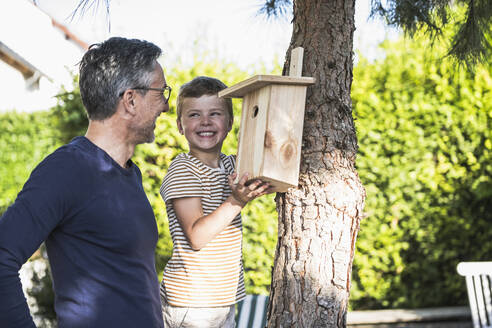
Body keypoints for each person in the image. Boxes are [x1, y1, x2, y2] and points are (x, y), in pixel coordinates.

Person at [0, 37, 169, 328]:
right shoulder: (67, 170)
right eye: (160, 92)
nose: (166, 105)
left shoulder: (131, 173)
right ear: (130, 100)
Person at [159, 76, 272, 328]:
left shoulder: (231, 164)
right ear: (179, 125)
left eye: (215, 113)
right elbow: (197, 236)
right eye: (194, 115)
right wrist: (237, 200)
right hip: (192, 303)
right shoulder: (183, 170)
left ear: (230, 122)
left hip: (222, 299)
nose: (205, 122)